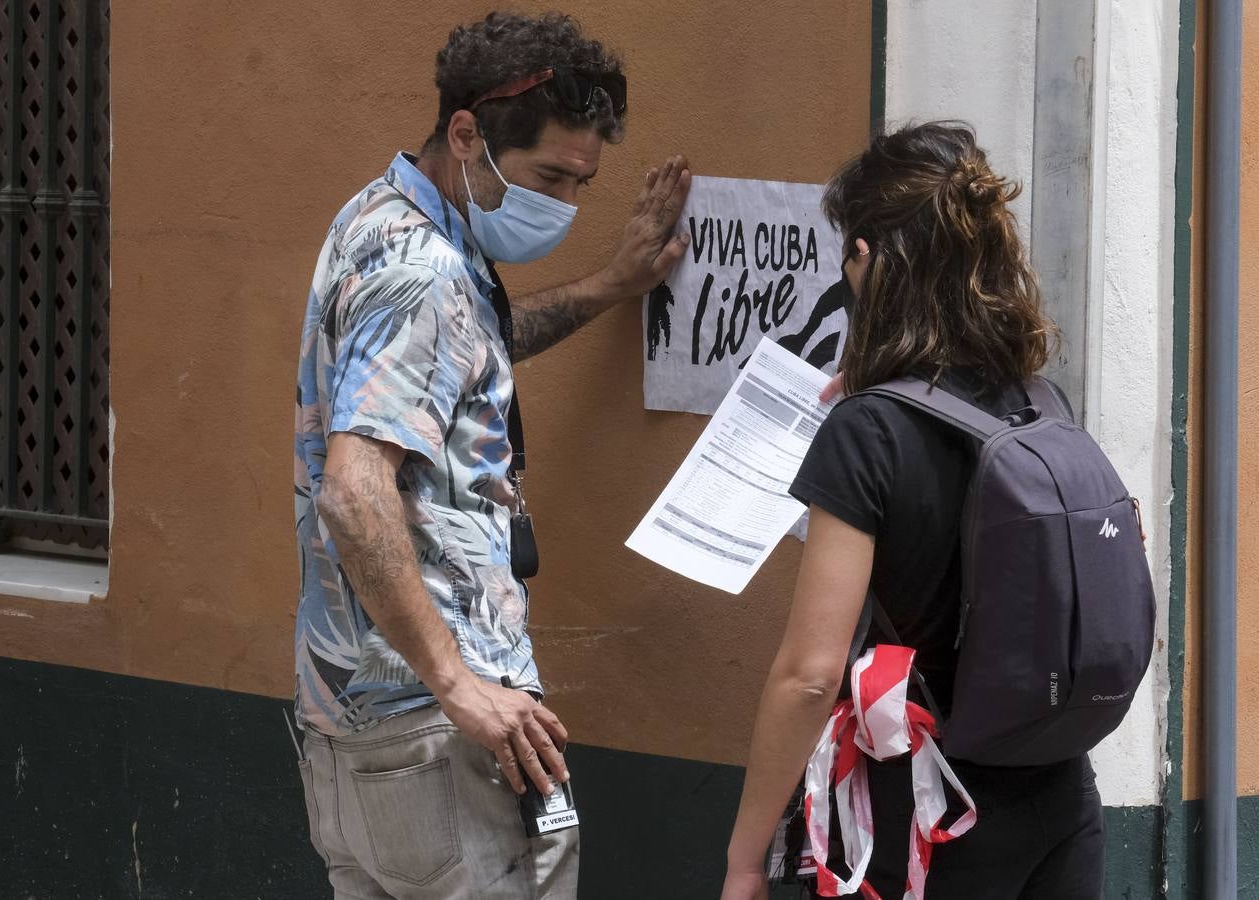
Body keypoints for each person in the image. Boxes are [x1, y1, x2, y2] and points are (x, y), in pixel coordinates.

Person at [292, 12, 690, 898]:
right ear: (466, 132)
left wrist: (608, 285)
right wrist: (459, 687)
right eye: (550, 175)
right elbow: (354, 493)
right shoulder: (422, 274)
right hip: (440, 732)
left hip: (356, 728)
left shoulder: (378, 219)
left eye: (582, 182)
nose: (566, 203)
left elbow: (466, 349)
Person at [721, 122, 1103, 900]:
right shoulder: (1036, 402)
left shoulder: (865, 430)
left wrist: (743, 859)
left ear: (863, 259)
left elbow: (808, 674)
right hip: (1061, 801)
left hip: (926, 818)